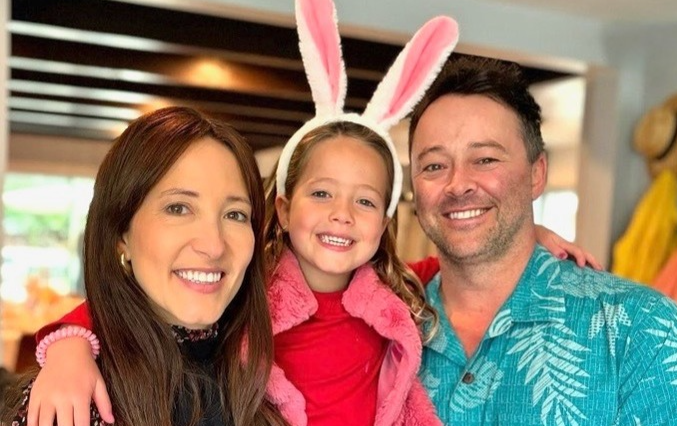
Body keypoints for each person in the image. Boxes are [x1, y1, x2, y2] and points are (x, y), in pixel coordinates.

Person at [13, 2, 600, 426]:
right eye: (322, 195)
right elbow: (126, 305)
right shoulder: (250, 289)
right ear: (284, 206)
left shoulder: (394, 291)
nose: (342, 216)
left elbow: (452, 265)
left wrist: (530, 232)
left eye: (364, 202)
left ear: (384, 222)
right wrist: (67, 346)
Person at [406, 56, 677, 425]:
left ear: (537, 174)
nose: (458, 184)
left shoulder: (645, 331)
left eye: (485, 159)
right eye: (434, 166)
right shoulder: (386, 324)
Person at [0, 106, 287, 426]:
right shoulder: (73, 403)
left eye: (235, 214)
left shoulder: (275, 378)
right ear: (121, 235)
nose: (214, 245)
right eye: (178, 208)